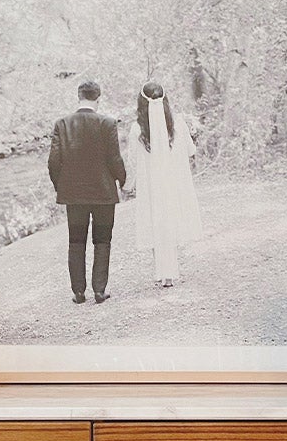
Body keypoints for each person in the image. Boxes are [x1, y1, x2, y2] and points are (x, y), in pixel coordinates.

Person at [48, 81, 126, 304]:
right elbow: (114, 158)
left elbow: (53, 162)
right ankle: (99, 290)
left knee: (76, 240)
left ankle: (78, 292)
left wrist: (60, 186)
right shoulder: (107, 123)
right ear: (98, 98)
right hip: (103, 193)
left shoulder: (62, 124)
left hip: (74, 194)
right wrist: (122, 180)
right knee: (102, 240)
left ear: (78, 96)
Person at [124, 81, 203, 287]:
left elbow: (132, 160)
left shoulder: (136, 129)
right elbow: (190, 151)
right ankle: (169, 271)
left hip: (151, 184)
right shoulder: (177, 123)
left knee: (155, 220)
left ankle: (163, 271)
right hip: (173, 181)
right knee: (170, 218)